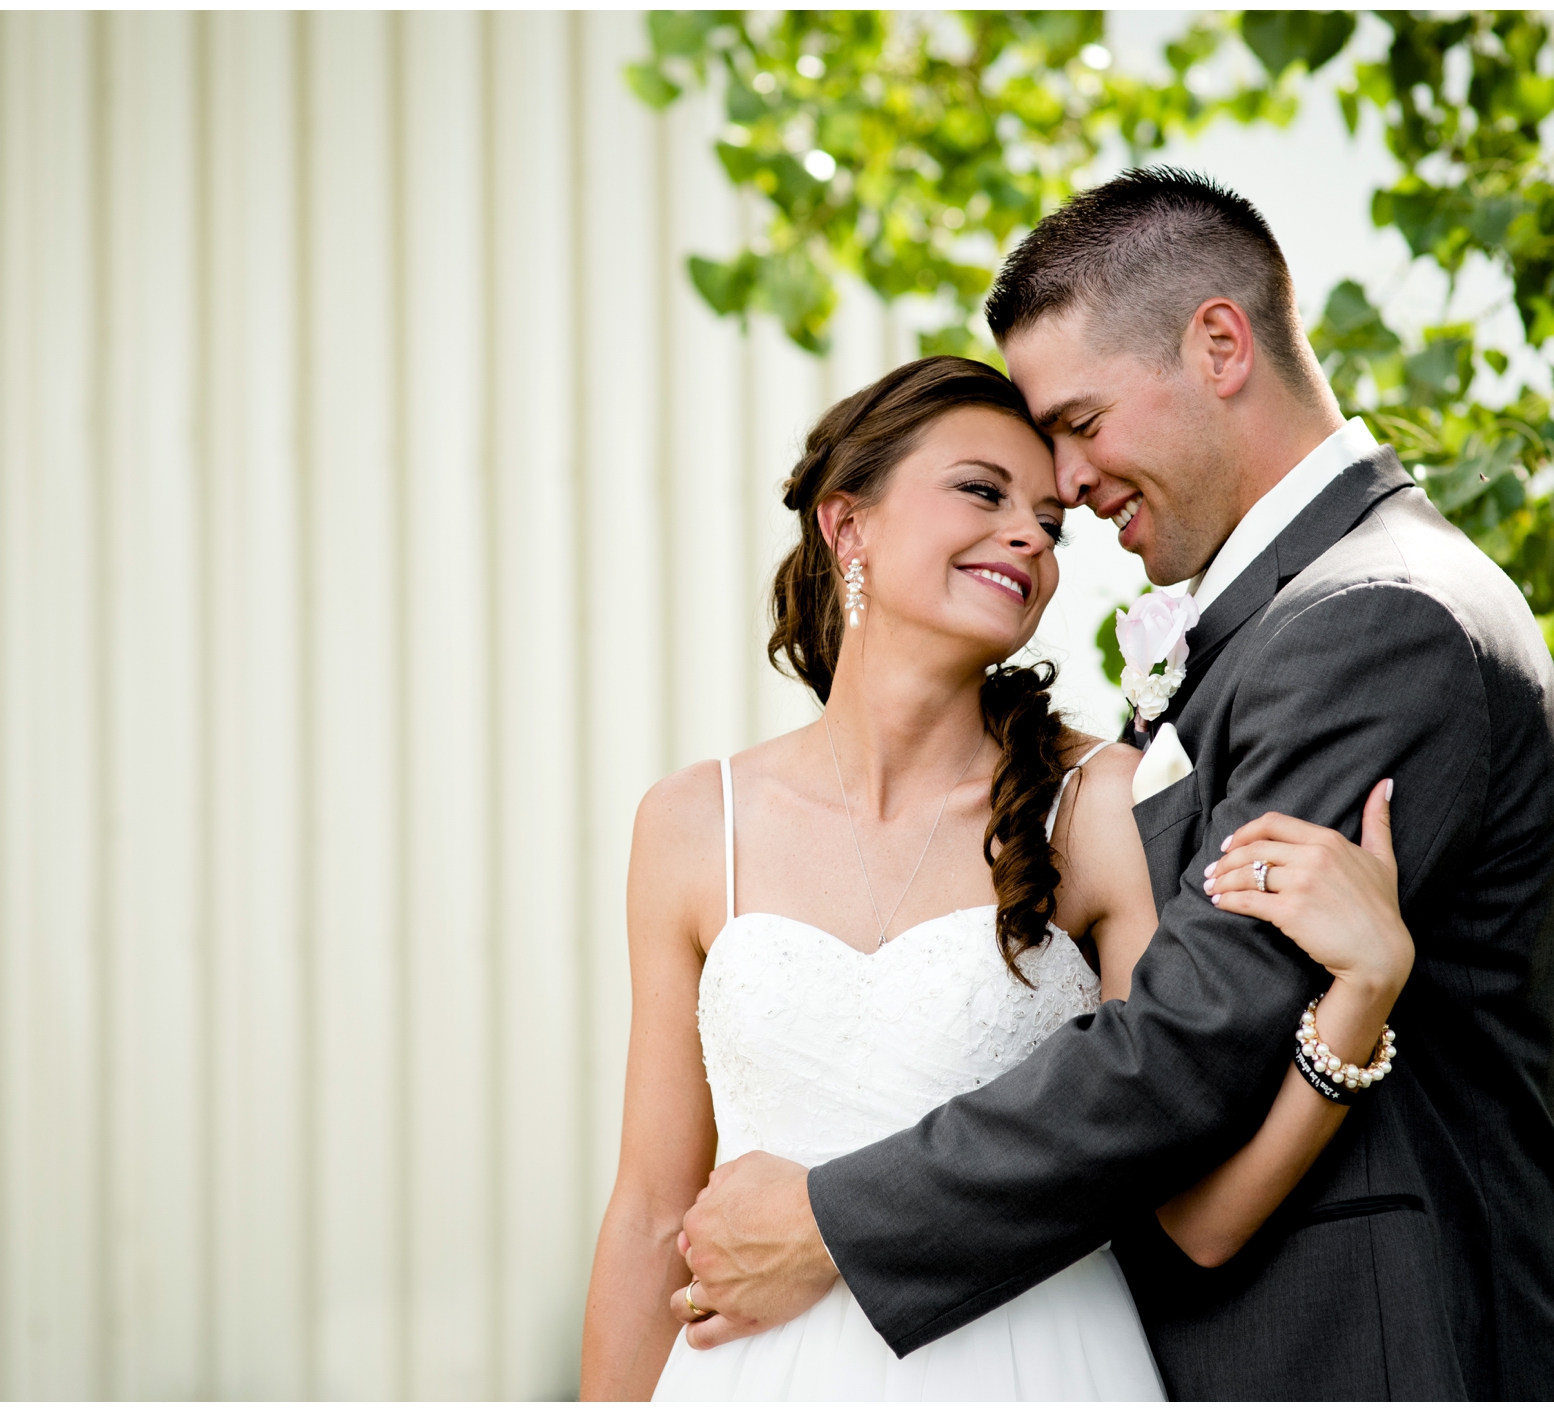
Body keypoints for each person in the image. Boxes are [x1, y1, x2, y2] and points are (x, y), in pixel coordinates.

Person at [662, 169, 1554, 1401]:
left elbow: (1187, 1041)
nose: (1072, 499)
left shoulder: (1376, 618)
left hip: (1361, 1346)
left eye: (1082, 424)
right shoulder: (1290, 616)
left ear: (1218, 343)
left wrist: (833, 1219)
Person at [579, 353, 1417, 1400]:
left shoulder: (1101, 806)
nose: (1029, 533)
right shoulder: (694, 823)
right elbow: (652, 1212)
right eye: (981, 490)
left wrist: (1363, 995)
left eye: (1049, 521)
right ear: (850, 527)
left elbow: (1199, 1216)